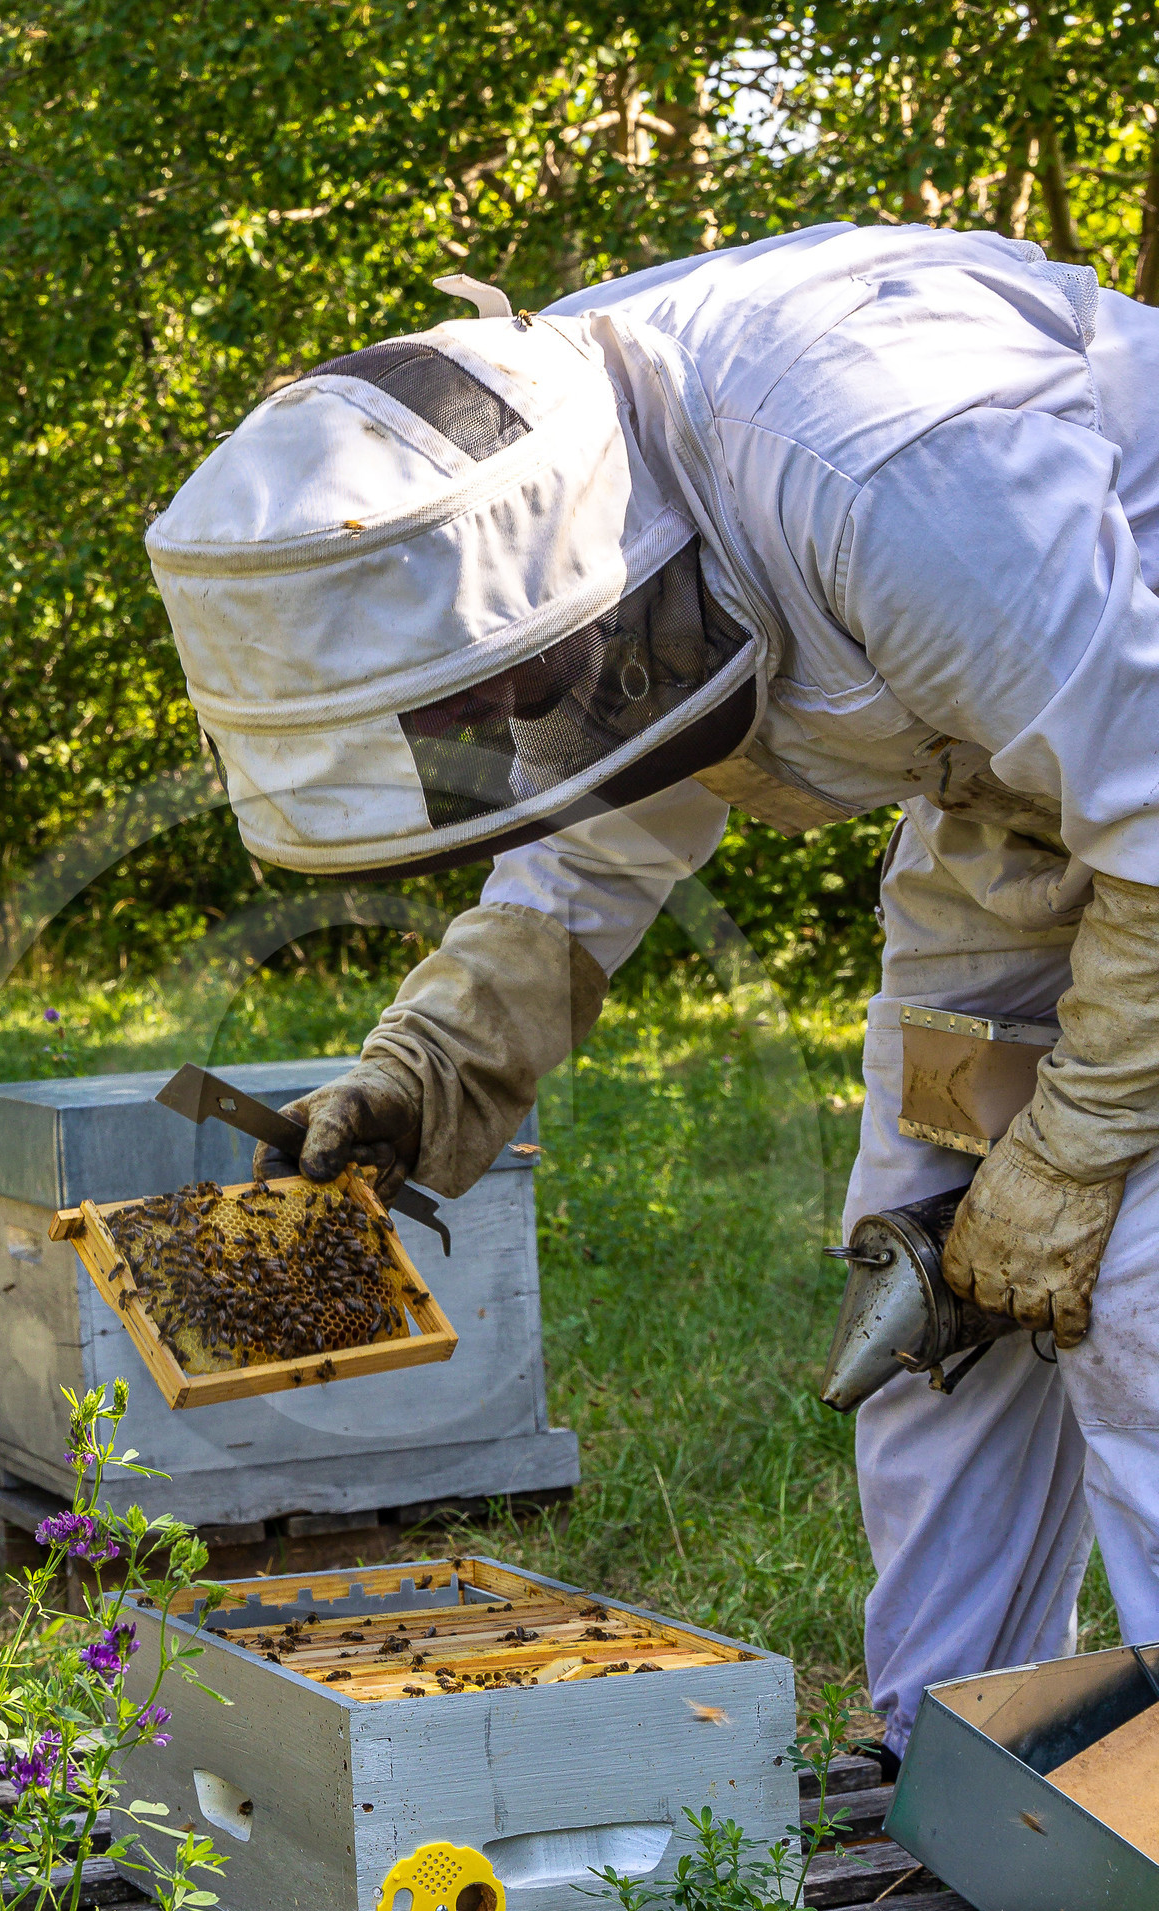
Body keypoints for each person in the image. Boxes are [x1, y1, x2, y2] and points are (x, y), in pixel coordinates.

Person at [144, 221, 1159, 1759]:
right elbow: (596, 847)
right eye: (446, 707)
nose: (475, 723)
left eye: (479, 691)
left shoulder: (888, 475)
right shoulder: (566, 535)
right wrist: (435, 1067)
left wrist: (1084, 1147)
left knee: (1140, 1299)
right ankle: (958, 1766)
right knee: (927, 1270)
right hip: (1020, 808)